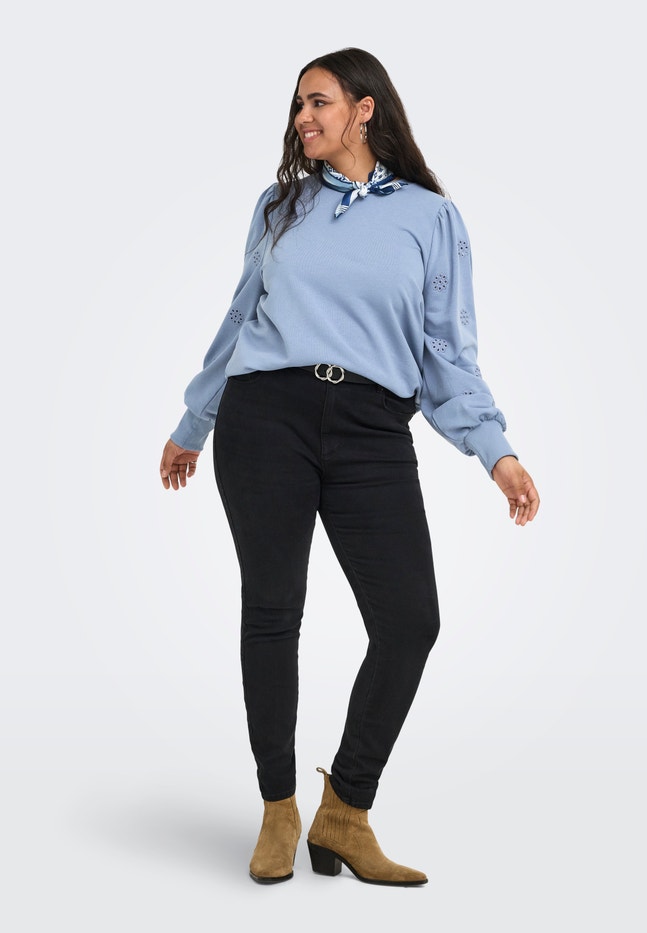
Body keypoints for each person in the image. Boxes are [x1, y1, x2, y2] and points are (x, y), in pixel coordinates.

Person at [159, 47, 540, 887]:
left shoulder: (431, 218)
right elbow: (239, 318)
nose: (302, 117)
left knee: (410, 620)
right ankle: (277, 808)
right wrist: (195, 421)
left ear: (365, 110)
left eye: (319, 101)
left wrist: (497, 451)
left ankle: (345, 809)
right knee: (273, 610)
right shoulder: (281, 206)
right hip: (266, 417)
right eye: (297, 104)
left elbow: (447, 352)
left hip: (372, 427)